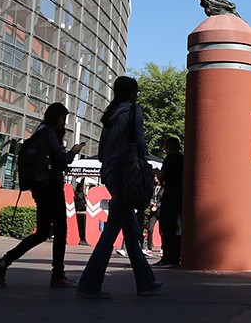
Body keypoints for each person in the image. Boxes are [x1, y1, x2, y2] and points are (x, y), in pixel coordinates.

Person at [76, 76, 164, 299]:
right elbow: (141, 146)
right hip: (127, 173)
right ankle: (89, 284)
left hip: (110, 172)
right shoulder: (134, 111)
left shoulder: (110, 114)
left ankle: (146, 281)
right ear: (132, 92)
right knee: (114, 229)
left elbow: (103, 148)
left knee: (129, 228)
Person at [0, 102, 84, 288]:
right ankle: (58, 275)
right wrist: (73, 152)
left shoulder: (39, 132)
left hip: (40, 188)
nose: (63, 123)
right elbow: (62, 159)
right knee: (61, 231)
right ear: (55, 117)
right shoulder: (49, 133)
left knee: (42, 232)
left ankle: (4, 262)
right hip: (52, 187)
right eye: (62, 118)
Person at [153, 136, 183, 268]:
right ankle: (176, 256)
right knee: (177, 228)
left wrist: (157, 173)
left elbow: (162, 177)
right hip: (181, 196)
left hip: (170, 196)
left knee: (167, 227)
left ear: (169, 148)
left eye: (165, 148)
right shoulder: (183, 158)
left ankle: (168, 258)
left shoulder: (170, 159)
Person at [74, 179, 90, 246]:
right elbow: (80, 201)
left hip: (80, 210)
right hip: (79, 210)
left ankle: (82, 236)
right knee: (80, 224)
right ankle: (81, 236)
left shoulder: (80, 194)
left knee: (81, 224)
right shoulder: (78, 194)